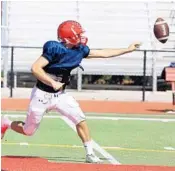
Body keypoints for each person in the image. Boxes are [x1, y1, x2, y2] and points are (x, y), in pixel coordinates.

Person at [1, 20, 141, 163]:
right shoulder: (54, 49)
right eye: (78, 34)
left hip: (61, 95)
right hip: (42, 94)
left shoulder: (80, 50)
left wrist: (127, 49)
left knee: (80, 119)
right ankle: (6, 123)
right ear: (68, 38)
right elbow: (36, 68)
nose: (81, 37)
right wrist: (52, 82)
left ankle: (90, 154)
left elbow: (103, 53)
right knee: (28, 131)